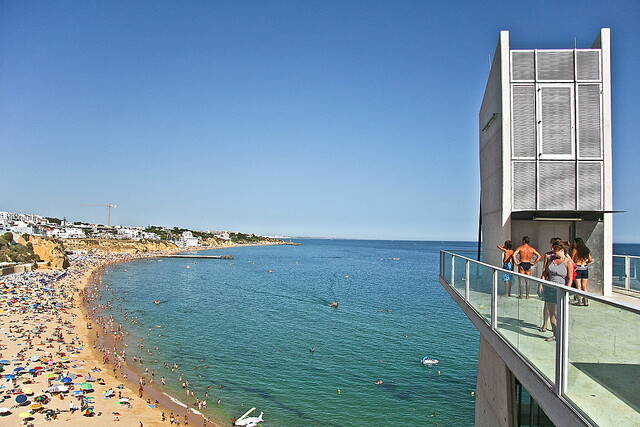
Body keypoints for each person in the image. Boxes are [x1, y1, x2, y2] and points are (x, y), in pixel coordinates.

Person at [539, 241, 574, 342]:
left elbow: (570, 278)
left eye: (555, 250)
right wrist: (541, 283)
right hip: (550, 287)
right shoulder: (551, 260)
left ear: (562, 250)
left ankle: (561, 334)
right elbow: (545, 272)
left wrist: (566, 290)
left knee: (558, 313)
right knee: (551, 313)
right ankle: (555, 334)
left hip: (560, 289)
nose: (553, 252)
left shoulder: (568, 262)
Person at [538, 237, 561, 332]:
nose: (551, 246)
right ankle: (545, 324)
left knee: (556, 307)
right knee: (547, 305)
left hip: (559, 284)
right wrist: (541, 283)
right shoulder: (547, 255)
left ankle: (556, 327)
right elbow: (544, 270)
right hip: (548, 281)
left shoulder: (563, 256)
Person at [572, 237, 593, 306]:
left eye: (574, 242)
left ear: (576, 243)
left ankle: (579, 301)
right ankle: (586, 301)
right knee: (584, 286)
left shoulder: (575, 250)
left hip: (578, 268)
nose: (574, 244)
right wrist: (586, 263)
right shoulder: (586, 250)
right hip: (585, 268)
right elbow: (590, 259)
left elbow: (572, 260)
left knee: (578, 286)